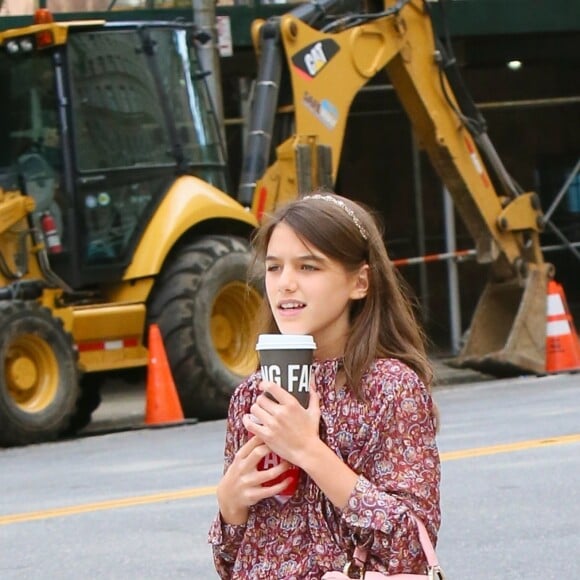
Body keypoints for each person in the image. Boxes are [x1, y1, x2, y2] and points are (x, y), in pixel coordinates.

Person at [208, 192, 441, 578]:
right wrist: (229, 506)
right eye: (273, 268)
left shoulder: (390, 388)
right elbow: (231, 564)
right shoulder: (252, 395)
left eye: (308, 267)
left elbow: (412, 546)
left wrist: (308, 451)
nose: (285, 284)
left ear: (360, 282)